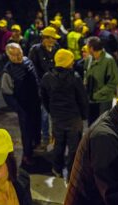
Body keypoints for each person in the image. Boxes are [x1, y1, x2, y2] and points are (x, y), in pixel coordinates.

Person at [40, 49, 88, 178]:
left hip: (57, 118)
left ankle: (57, 169)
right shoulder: (75, 77)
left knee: (58, 145)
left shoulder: (47, 77)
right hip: (73, 118)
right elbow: (82, 99)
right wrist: (84, 115)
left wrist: (52, 111)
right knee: (74, 147)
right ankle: (72, 171)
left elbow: (44, 98)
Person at [1, 43, 41, 165]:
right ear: (8, 56)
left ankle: (36, 146)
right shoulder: (8, 72)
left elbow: (36, 80)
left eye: (20, 53)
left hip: (35, 102)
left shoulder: (28, 62)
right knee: (26, 132)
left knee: (36, 126)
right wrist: (18, 109)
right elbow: (7, 94)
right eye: (14, 55)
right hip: (23, 106)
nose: (18, 57)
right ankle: (27, 155)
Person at [28, 26, 60, 145]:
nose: (55, 41)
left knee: (56, 112)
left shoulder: (57, 48)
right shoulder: (35, 50)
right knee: (44, 113)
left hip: (55, 86)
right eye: (52, 38)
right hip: (42, 86)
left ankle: (56, 136)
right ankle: (45, 136)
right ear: (45, 38)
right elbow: (32, 70)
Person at [84, 36, 118, 125]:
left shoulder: (108, 60)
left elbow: (114, 81)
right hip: (91, 100)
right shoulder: (89, 59)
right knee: (91, 125)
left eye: (87, 47)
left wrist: (99, 93)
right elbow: (86, 73)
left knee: (102, 125)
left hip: (104, 100)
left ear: (91, 48)